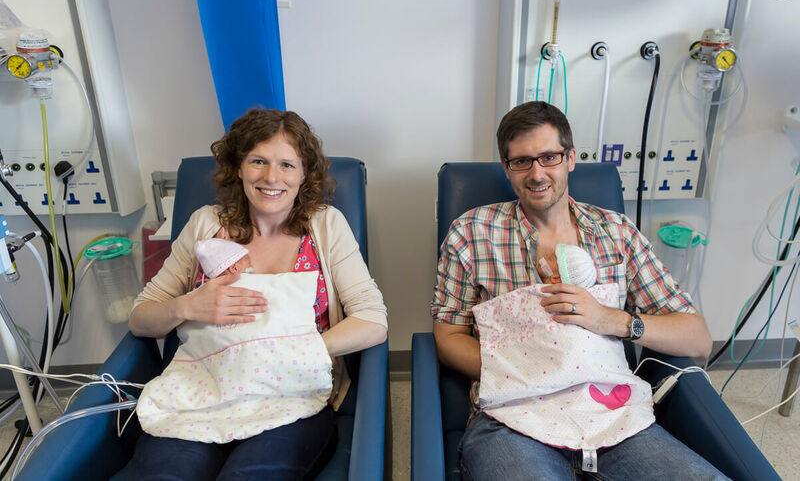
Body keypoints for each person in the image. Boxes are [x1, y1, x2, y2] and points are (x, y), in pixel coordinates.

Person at [431, 101, 725, 480]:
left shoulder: (616, 234)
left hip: (613, 419)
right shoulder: (471, 234)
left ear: (570, 158)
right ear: (506, 168)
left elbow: (697, 340)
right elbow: (448, 336)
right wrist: (532, 369)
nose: (537, 173)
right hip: (512, 420)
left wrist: (613, 320)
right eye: (522, 161)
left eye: (549, 157)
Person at [128, 108, 387, 480]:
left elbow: (372, 321)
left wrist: (293, 351)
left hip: (292, 393)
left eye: (287, 165)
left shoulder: (326, 226)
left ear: (304, 174)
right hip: (202, 390)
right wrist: (187, 305)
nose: (271, 177)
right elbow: (141, 318)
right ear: (238, 167)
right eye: (258, 161)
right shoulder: (206, 224)